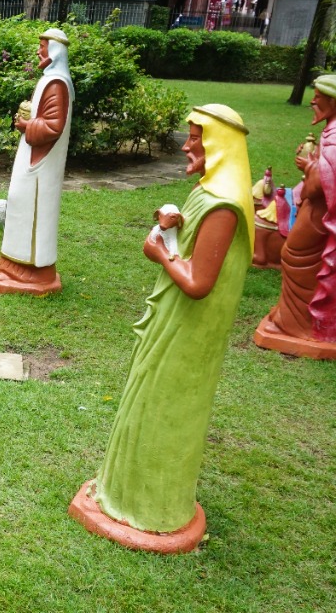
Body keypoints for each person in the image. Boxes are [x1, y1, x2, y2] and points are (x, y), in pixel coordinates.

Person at [70, 104, 253, 553]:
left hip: (188, 330)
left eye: (196, 137)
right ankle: (127, 488)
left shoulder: (224, 205)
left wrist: (161, 253)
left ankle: (149, 505)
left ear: (219, 146)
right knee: (149, 397)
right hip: (177, 323)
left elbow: (198, 283)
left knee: (165, 405)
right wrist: (174, 226)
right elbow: (194, 250)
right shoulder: (210, 191)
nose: (187, 144)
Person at [254, 75, 336, 359]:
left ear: (334, 100)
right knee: (295, 257)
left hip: (322, 214)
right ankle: (293, 316)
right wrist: (313, 164)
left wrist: (310, 165)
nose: (312, 101)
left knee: (296, 258)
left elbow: (324, 185)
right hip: (321, 211)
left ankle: (299, 324)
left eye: (318, 96)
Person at [0, 28, 74, 296]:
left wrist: (26, 125)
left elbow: (53, 126)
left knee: (32, 209)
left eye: (43, 47)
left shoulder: (57, 83)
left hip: (40, 168)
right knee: (19, 205)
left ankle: (32, 269)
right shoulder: (51, 79)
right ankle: (12, 262)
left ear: (55, 51)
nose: (39, 51)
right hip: (32, 161)